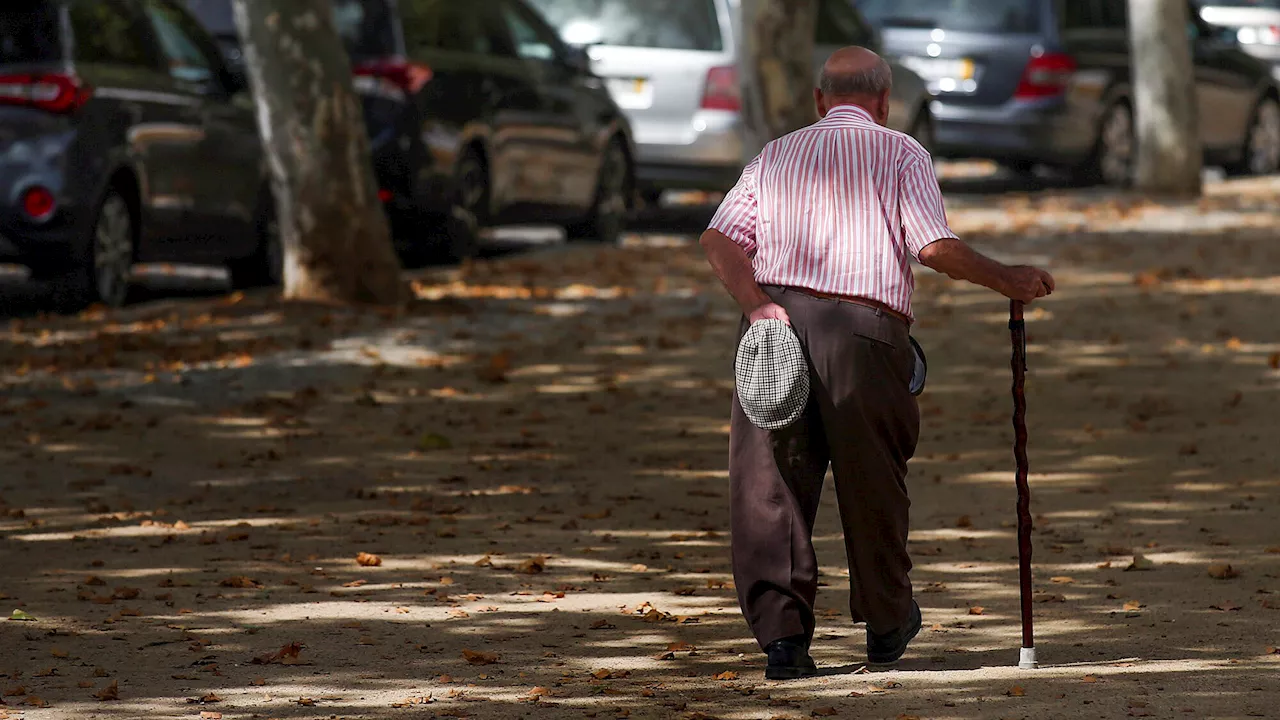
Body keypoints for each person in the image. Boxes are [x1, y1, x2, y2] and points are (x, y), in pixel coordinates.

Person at [699, 46, 1055, 680]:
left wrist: (756, 306)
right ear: (886, 102)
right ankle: (887, 622)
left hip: (774, 327)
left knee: (769, 483)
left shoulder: (777, 154)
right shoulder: (901, 152)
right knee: (873, 481)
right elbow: (933, 246)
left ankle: (784, 642)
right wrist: (1010, 279)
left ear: (819, 101)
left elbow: (720, 237)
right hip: (865, 335)